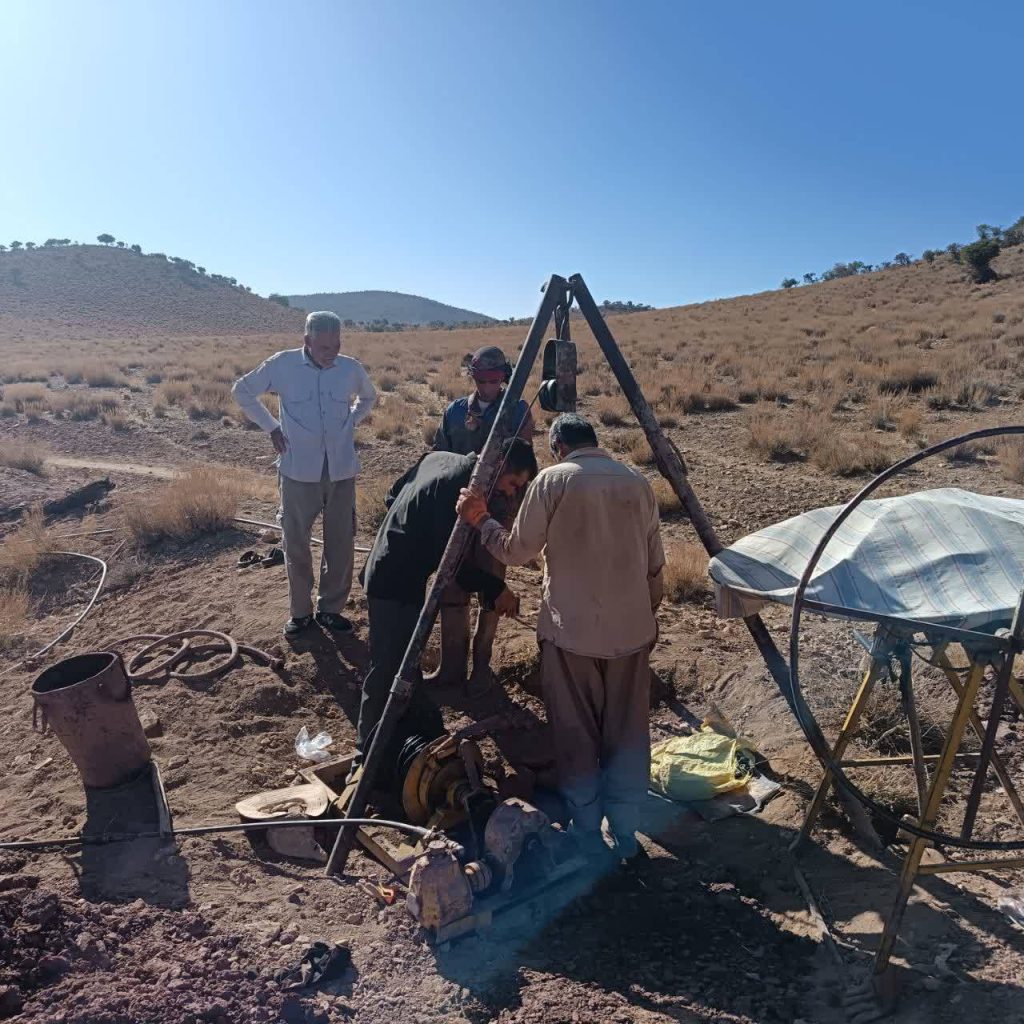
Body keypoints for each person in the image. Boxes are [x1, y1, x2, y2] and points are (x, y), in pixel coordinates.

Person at [457, 413, 665, 868]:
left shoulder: (553, 481)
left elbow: (515, 551)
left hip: (571, 635)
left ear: (558, 448)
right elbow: (655, 570)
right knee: (627, 734)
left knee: (576, 735)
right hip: (631, 636)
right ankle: (626, 830)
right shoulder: (637, 482)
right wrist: (642, 621)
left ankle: (587, 832)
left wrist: (480, 519)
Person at [354, 438, 539, 775]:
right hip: (394, 581)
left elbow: (393, 495)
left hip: (389, 565)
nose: (511, 493)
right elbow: (450, 567)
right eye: (513, 483)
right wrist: (497, 588)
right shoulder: (458, 489)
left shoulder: (439, 458)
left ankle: (407, 741)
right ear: (499, 466)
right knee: (387, 670)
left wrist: (409, 528)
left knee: (405, 665)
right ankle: (365, 759)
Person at [232, 311, 376, 638]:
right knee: (296, 543)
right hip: (298, 470)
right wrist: (271, 427)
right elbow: (241, 391)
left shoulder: (350, 368)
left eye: (336, 346)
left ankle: (330, 610)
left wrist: (351, 421)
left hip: (340, 470)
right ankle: (300, 613)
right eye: (324, 347)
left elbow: (369, 397)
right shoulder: (282, 365)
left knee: (340, 543)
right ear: (307, 341)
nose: (331, 353)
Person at [431, 345, 534, 690]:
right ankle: (451, 666)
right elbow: (440, 457)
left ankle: (481, 668)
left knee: (491, 587)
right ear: (473, 377)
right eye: (482, 379)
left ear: (504, 377)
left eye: (495, 379)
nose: (488, 386)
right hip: (458, 508)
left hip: (497, 513)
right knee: (453, 581)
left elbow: (521, 463)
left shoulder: (517, 411)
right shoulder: (455, 412)